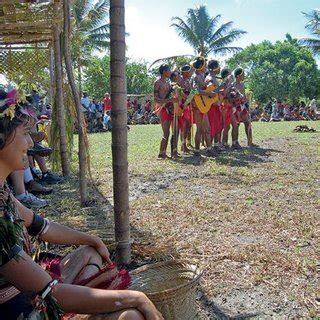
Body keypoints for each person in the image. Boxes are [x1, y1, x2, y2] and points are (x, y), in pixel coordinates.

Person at [0, 90, 163, 320]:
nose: (30, 141)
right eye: (25, 133)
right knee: (131, 315)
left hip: (31, 294)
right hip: (22, 309)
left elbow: (42, 227)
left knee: (89, 252)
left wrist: (90, 239)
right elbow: (51, 293)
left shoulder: (3, 195)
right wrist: (135, 297)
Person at [153, 64, 177, 159]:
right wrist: (169, 100)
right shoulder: (157, 83)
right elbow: (156, 99)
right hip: (162, 109)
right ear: (164, 72)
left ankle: (164, 152)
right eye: (168, 70)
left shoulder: (168, 83)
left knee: (171, 132)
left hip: (170, 108)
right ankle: (161, 153)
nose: (170, 72)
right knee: (166, 132)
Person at [191, 57, 212, 155]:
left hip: (203, 104)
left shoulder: (202, 75)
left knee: (206, 128)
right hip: (198, 105)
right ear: (200, 66)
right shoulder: (195, 76)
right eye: (205, 65)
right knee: (200, 128)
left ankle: (208, 149)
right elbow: (195, 91)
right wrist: (207, 93)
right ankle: (198, 150)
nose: (206, 67)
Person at [233, 67, 255, 148]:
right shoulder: (233, 85)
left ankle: (250, 141)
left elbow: (244, 96)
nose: (244, 76)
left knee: (247, 123)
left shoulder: (242, 84)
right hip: (236, 107)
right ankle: (235, 142)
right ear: (238, 75)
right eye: (243, 74)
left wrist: (246, 102)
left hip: (243, 106)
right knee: (236, 125)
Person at [205, 60, 223, 152]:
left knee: (217, 125)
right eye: (218, 66)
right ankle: (209, 147)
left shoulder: (213, 77)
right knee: (211, 126)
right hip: (211, 106)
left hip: (216, 105)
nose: (219, 68)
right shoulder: (209, 78)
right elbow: (209, 91)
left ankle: (216, 145)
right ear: (215, 67)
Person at [178, 65, 194, 153]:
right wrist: (186, 98)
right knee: (184, 125)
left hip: (188, 103)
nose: (189, 73)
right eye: (188, 71)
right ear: (184, 72)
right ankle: (183, 145)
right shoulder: (180, 80)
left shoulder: (188, 80)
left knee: (188, 125)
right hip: (182, 104)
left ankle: (186, 144)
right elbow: (179, 91)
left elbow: (191, 91)